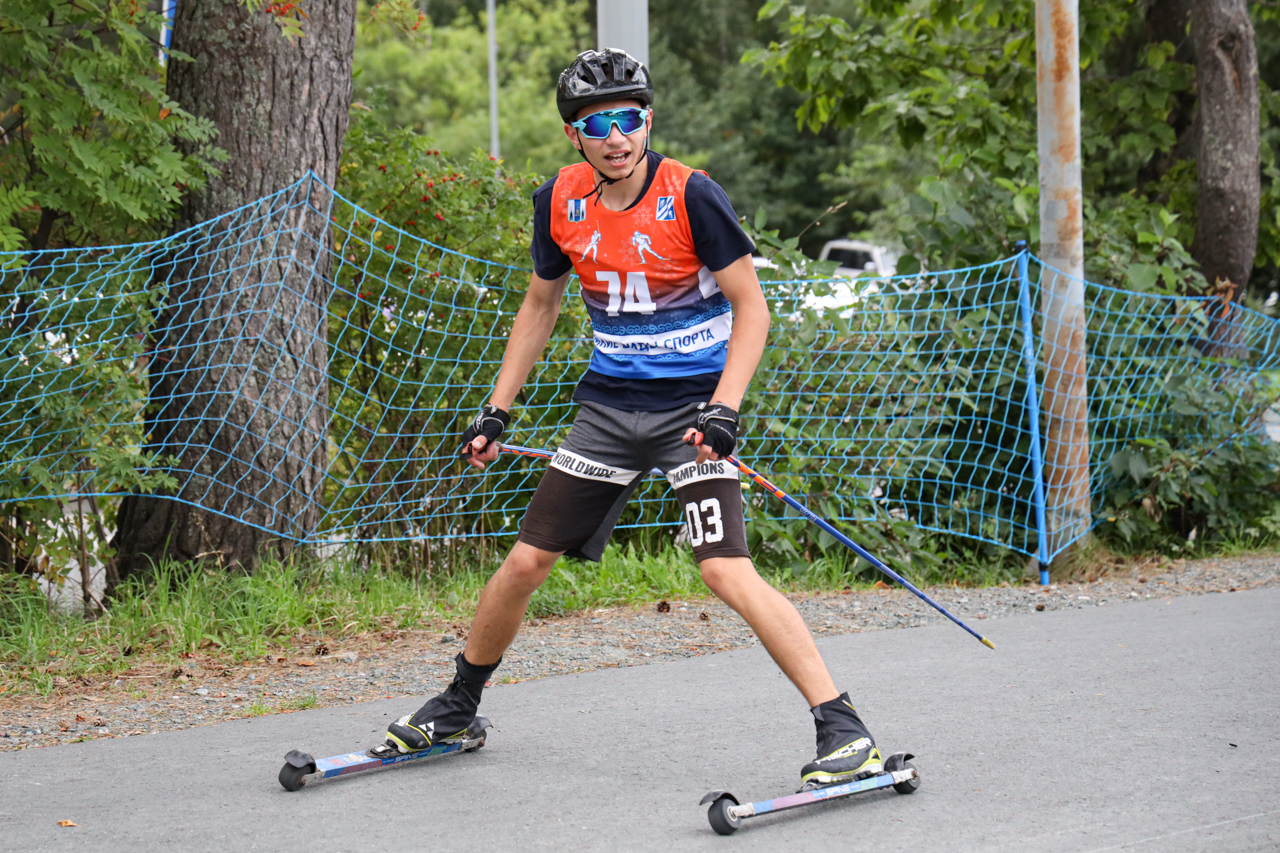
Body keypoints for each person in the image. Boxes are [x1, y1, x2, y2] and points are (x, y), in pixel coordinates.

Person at [369, 48, 882, 788]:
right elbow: (539, 305)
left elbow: (753, 307)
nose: (617, 135)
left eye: (630, 118)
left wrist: (727, 408)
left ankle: (844, 729)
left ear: (648, 121)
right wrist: (497, 410)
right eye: (598, 123)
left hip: (693, 416)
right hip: (609, 413)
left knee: (725, 570)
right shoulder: (559, 201)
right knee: (525, 562)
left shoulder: (691, 195)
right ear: (575, 135)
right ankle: (457, 705)